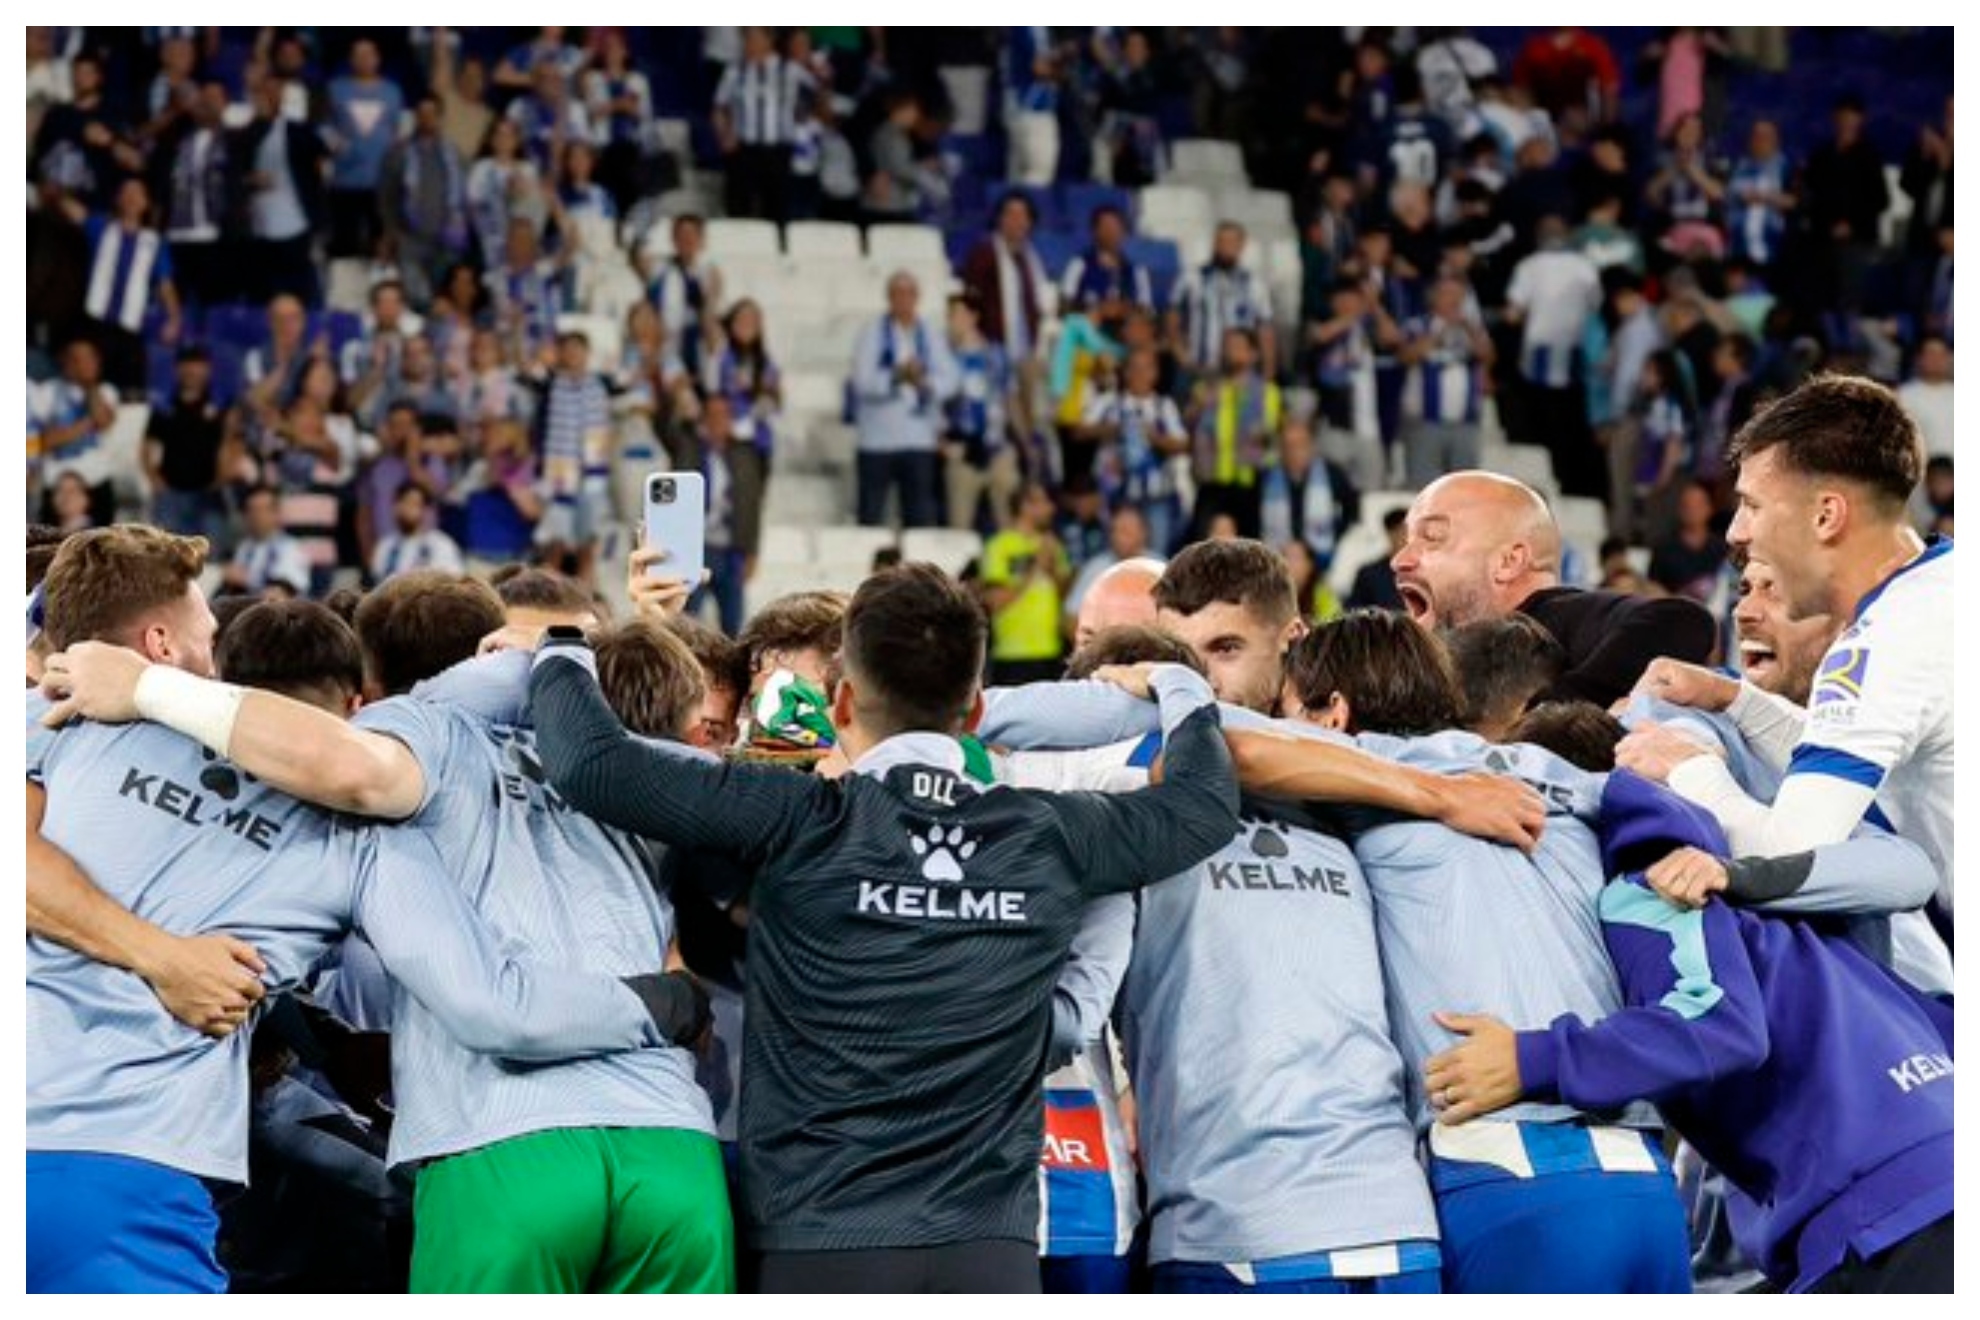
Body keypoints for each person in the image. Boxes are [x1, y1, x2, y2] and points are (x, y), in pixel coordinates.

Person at [527, 562, 1242, 1292]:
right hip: (988, 1253)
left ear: (840, 701)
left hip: (819, 1246)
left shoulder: (792, 819)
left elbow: (591, 763)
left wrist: (559, 647)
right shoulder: (1047, 834)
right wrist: (1181, 688)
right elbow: (1205, 805)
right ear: (972, 714)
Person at [40, 569, 736, 1294]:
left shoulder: (392, 783)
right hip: (672, 1150)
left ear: (369, 692)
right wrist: (562, 653)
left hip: (498, 1144)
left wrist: (661, 1004)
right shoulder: (635, 767)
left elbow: (490, 1004)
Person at [1272, 611, 1692, 1293]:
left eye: (1287, 709)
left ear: (1330, 714)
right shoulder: (1557, 771)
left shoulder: (1356, 778)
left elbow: (1224, 752)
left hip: (1506, 1175)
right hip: (1645, 1178)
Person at [1424, 770, 1952, 1294]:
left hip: (1888, 1217)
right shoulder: (1804, 885)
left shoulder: (1652, 892)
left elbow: (1718, 1026)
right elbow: (1912, 874)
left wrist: (1532, 1058)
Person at [1620, 375, 1954, 930]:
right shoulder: (1938, 593)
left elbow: (1790, 853)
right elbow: (1857, 755)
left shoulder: (1888, 641)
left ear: (1826, 516)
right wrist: (1736, 701)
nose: (1736, 531)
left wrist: (1692, 770)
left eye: (1751, 504)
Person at [1392, 471, 1717, 708]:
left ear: (1509, 562)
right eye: (1407, 541)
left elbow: (1681, 621)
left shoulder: (1561, 617)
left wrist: (1537, 721)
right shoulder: (1414, 664)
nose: (1399, 560)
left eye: (1432, 537)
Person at [1505, 216, 1603, 498]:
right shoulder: (1585, 267)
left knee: (1541, 424)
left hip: (1540, 354)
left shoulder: (1529, 266)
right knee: (1570, 424)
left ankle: (1546, 482)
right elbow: (1595, 305)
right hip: (1574, 352)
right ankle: (1568, 482)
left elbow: (1514, 313)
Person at [851, 272, 959, 529]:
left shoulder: (930, 334)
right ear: (889, 298)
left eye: (909, 294)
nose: (904, 300)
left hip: (918, 438)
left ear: (917, 298)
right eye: (897, 294)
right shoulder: (872, 333)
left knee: (919, 519)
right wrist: (897, 376)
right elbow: (863, 382)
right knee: (871, 517)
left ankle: (915, 570)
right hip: (877, 440)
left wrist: (924, 382)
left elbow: (952, 380)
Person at [667, 392, 766, 637]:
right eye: (711, 415)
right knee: (687, 621)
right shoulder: (688, 448)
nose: (717, 421)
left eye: (723, 415)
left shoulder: (744, 455)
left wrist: (751, 550)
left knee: (734, 624)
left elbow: (751, 505)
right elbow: (668, 430)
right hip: (694, 548)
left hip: (730, 549)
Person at [1397, 274, 1492, 490]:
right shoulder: (1417, 324)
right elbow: (1406, 356)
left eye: (1459, 295)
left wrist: (1469, 329)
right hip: (1425, 422)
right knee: (1423, 488)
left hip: (1465, 423)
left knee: (1465, 490)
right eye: (1448, 294)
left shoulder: (1472, 329)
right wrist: (1438, 332)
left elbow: (1488, 356)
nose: (1454, 300)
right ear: (1433, 297)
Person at [980, 484, 1073, 687]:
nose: (1051, 508)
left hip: (1052, 653)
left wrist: (1053, 572)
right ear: (1025, 507)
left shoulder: (1053, 545)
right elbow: (996, 602)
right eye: (1044, 502)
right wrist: (1035, 567)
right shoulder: (999, 546)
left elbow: (1065, 597)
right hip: (1013, 656)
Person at [942, 293, 1020, 533]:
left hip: (998, 448)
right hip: (963, 451)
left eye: (957, 314)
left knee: (1008, 524)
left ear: (973, 317)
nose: (952, 321)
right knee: (960, 527)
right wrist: (943, 444)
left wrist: (1024, 441)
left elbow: (1011, 399)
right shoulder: (943, 357)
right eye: (950, 315)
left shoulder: (997, 355)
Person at [713, 26, 809, 223]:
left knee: (778, 207)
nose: (749, 44)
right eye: (747, 38)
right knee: (740, 206)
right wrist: (724, 134)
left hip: (779, 148)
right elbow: (719, 108)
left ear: (769, 40)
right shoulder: (735, 71)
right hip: (745, 148)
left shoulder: (790, 70)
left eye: (754, 38)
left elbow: (815, 99)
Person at [1169, 221, 1277, 381]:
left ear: (1242, 245)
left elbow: (1265, 331)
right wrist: (1182, 357)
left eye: (1231, 242)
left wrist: (1268, 373)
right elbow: (1172, 320)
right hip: (1200, 369)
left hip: (1239, 375)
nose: (1226, 247)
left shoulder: (1254, 285)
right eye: (1221, 241)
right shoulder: (1192, 278)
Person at [225, 485, 311, 599]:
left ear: (277, 514)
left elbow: (282, 591)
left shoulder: (292, 548)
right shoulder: (244, 547)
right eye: (250, 510)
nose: (254, 516)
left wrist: (247, 579)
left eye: (261, 510)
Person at [370, 482, 465, 582]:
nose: (407, 509)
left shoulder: (441, 544)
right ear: (395, 507)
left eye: (414, 504)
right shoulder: (385, 545)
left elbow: (455, 583)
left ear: (424, 510)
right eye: (403, 502)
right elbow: (377, 582)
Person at [1346, 508, 1408, 612]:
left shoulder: (1425, 574)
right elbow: (1354, 615)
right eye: (1403, 532)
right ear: (1391, 533)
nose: (1408, 538)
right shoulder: (1369, 575)